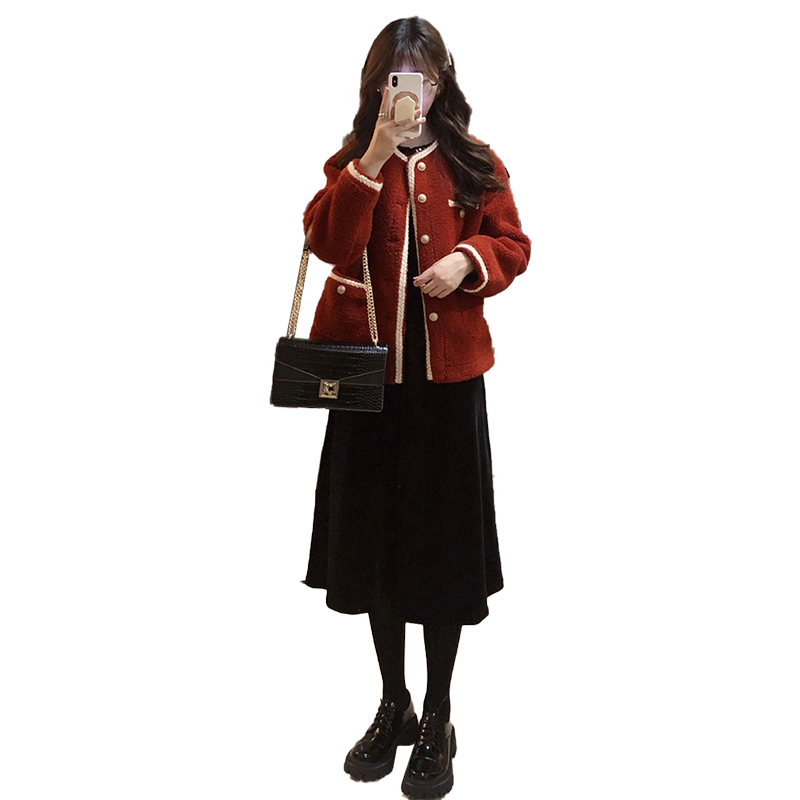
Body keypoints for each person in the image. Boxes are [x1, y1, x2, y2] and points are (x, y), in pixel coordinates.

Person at [299, 16, 531, 798]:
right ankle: (392, 701)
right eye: (397, 78)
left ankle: (438, 713)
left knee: (442, 557)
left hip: (447, 388)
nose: (412, 93)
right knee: (376, 552)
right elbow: (328, 243)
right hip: (367, 388)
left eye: (422, 77)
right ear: (378, 86)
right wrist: (371, 158)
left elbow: (514, 244)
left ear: (441, 81)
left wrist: (469, 260)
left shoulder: (475, 161)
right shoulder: (351, 161)